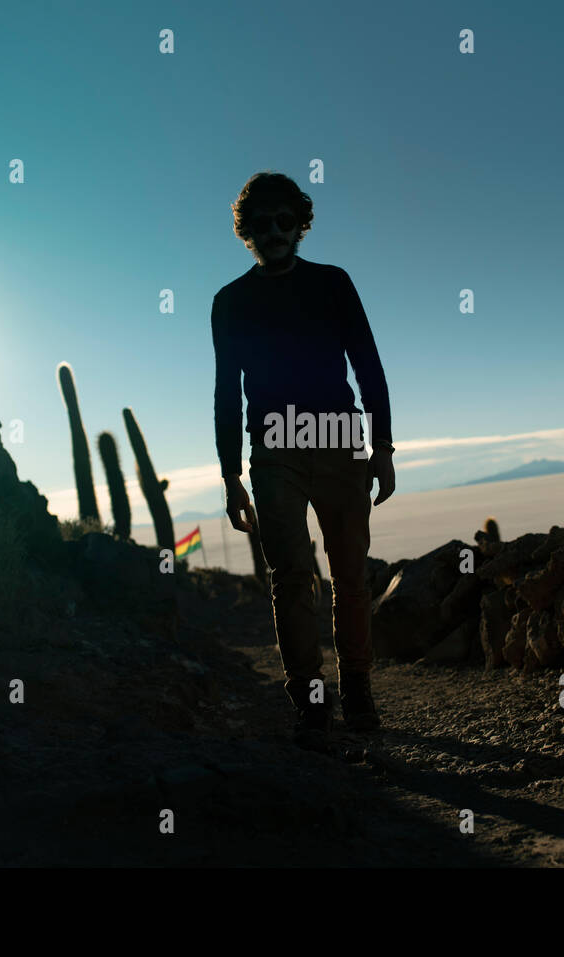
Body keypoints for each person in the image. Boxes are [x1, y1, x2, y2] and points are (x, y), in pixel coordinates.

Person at [211, 171, 396, 752]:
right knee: (291, 577)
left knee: (349, 575)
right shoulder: (230, 302)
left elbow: (369, 366)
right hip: (272, 452)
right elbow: (226, 393)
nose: (273, 232)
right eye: (261, 224)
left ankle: (359, 689)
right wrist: (230, 476)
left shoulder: (334, 284)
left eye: (283, 220)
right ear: (248, 232)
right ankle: (311, 702)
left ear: (301, 222)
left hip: (341, 441)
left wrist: (383, 449)